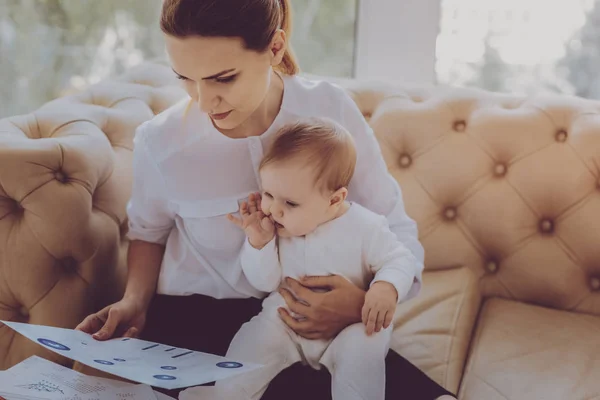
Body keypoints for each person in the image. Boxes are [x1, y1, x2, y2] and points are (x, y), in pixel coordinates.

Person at [75, 1, 456, 399]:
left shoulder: (330, 110)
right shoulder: (160, 141)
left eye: (223, 78)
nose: (205, 102)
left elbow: (393, 229)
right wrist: (134, 301)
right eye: (185, 78)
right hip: (196, 320)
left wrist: (362, 304)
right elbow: (148, 233)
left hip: (312, 317)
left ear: (275, 48)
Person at [181, 119, 422, 400]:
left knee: (362, 360)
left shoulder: (367, 227)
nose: (273, 209)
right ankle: (225, 394)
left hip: (349, 329)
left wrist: (386, 287)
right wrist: (259, 243)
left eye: (290, 203)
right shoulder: (275, 228)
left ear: (334, 200)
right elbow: (265, 282)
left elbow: (400, 259)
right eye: (268, 194)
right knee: (247, 351)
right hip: (285, 323)